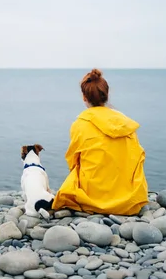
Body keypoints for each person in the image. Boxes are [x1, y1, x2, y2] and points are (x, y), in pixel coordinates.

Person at [52, 68, 148, 215]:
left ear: (84, 97)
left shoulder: (80, 124)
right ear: (107, 95)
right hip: (129, 200)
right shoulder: (126, 124)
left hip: (92, 198)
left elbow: (73, 161)